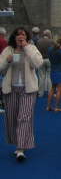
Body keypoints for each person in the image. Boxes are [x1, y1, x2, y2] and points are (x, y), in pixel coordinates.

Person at [0, 27, 44, 161]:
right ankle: (18, 144)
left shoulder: (31, 48)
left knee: (24, 117)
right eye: (18, 35)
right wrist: (7, 61)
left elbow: (38, 63)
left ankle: (20, 149)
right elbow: (0, 68)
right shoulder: (8, 50)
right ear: (14, 37)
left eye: (23, 35)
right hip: (11, 89)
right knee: (12, 118)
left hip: (28, 89)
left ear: (26, 37)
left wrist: (27, 47)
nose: (20, 37)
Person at [46, 38, 61, 112]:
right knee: (59, 89)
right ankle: (57, 107)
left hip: (53, 69)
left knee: (52, 88)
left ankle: (48, 106)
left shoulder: (49, 50)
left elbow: (49, 57)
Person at [35, 29, 53, 98]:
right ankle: (49, 92)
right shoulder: (51, 41)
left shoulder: (39, 41)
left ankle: (40, 93)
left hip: (41, 60)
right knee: (49, 76)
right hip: (49, 59)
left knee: (41, 77)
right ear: (49, 35)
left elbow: (36, 51)